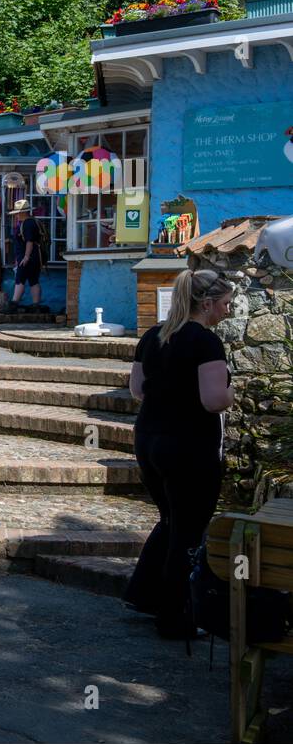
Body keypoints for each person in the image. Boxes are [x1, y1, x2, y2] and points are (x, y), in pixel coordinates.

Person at [123, 268, 235, 638]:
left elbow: (137, 389)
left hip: (150, 439)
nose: (228, 311)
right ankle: (174, 617)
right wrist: (235, 392)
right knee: (188, 529)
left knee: (170, 519)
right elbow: (214, 400)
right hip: (189, 446)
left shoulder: (153, 335)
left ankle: (144, 594)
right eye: (224, 304)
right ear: (206, 304)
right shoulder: (205, 342)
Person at [7, 199, 43, 311]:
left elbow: (29, 241)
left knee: (20, 279)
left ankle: (14, 303)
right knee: (33, 280)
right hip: (34, 257)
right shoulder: (32, 222)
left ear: (22, 212)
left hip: (27, 258)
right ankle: (36, 305)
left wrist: (26, 257)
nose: (16, 215)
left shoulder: (27, 224)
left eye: (17, 213)